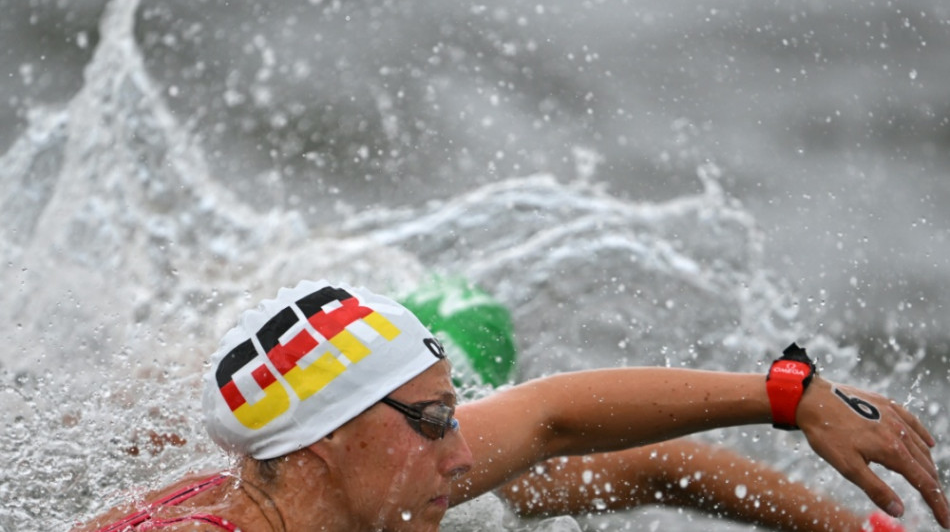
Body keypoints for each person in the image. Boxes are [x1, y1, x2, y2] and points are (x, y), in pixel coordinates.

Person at [73, 280, 949, 532]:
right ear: (322, 442)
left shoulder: (351, 488)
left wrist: (787, 395)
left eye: (455, 411)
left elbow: (551, 418)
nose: (463, 455)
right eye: (433, 420)